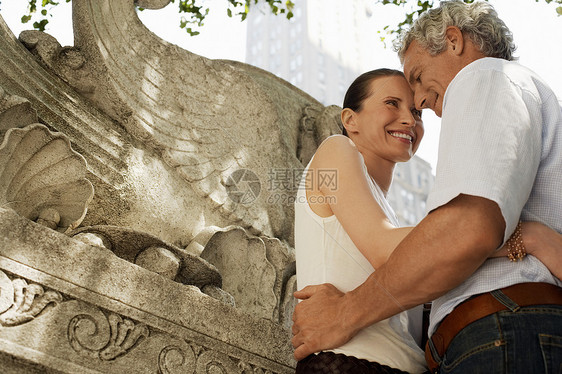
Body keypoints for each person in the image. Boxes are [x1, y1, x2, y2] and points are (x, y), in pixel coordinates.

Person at [291, 1, 562, 373]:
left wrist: (526, 239)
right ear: (349, 119)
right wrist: (525, 238)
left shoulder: (484, 76)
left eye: (416, 84)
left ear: (454, 40)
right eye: (392, 102)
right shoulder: (333, 152)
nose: (415, 109)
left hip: (478, 337)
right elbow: (396, 251)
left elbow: (455, 236)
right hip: (353, 361)